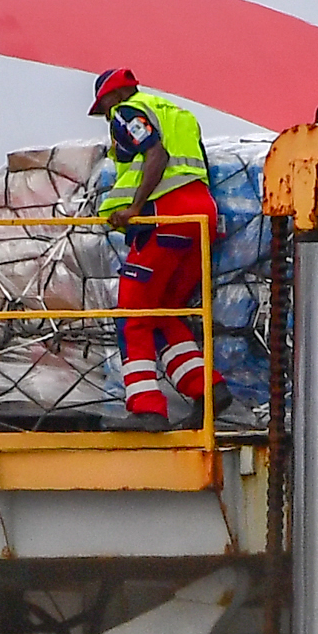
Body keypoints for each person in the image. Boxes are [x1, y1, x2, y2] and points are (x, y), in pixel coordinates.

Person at [93, 68, 219, 425]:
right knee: (164, 311)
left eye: (102, 107)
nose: (105, 117)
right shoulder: (179, 114)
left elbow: (156, 155)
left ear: (110, 97)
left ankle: (147, 407)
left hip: (164, 215)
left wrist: (134, 208)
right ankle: (206, 388)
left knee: (133, 315)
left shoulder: (127, 111)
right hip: (201, 215)